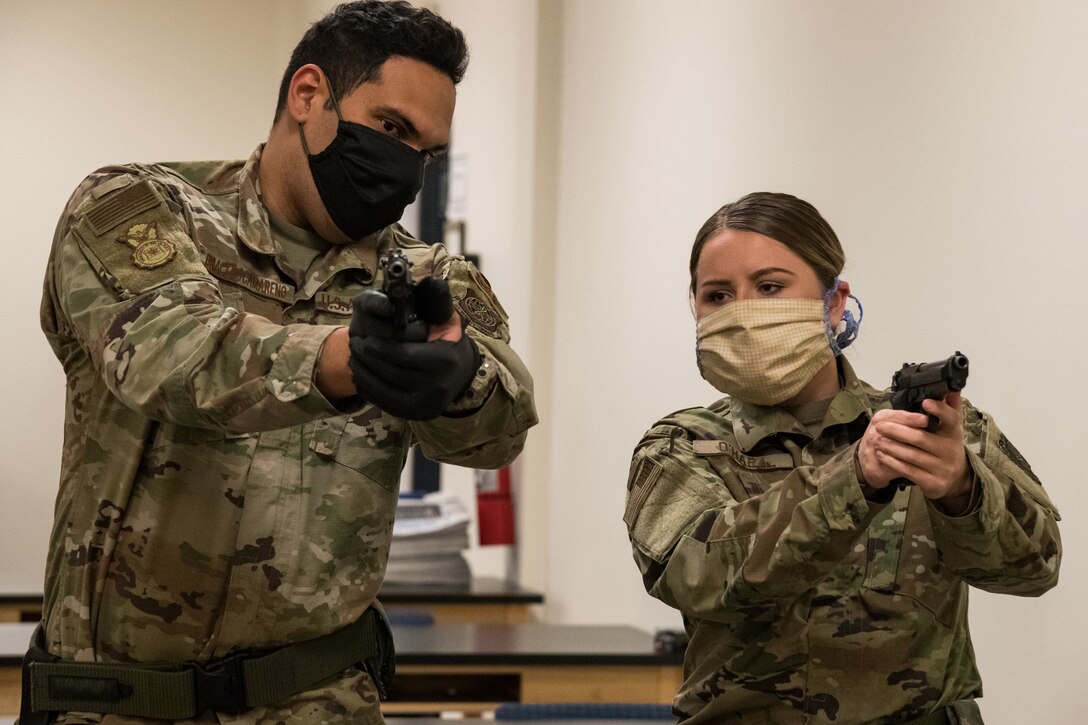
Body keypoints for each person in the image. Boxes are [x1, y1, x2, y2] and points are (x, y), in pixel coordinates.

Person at [28, 2, 536, 723]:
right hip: (115, 703)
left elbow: (501, 428)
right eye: (390, 129)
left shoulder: (425, 278)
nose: (405, 171)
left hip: (317, 702)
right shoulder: (139, 208)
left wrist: (462, 385)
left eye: (425, 152)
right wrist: (343, 359)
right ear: (308, 95)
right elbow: (169, 353)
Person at [623, 192, 1060, 725]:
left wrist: (961, 490)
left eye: (770, 287)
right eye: (718, 296)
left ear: (833, 302)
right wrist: (854, 477)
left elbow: (1035, 570)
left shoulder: (943, 431)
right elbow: (700, 578)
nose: (743, 312)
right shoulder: (681, 446)